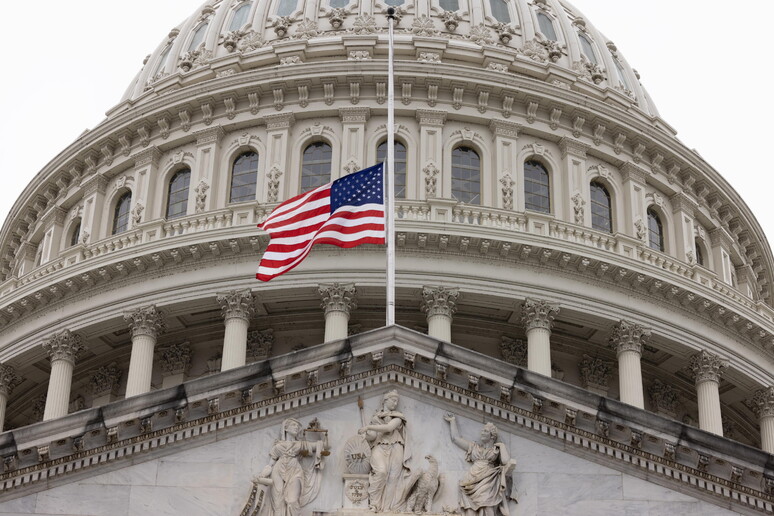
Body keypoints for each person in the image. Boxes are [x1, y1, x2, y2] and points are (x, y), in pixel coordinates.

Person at [443, 414, 516, 516]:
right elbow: (456, 439)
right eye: (482, 430)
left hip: (488, 480)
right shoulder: (474, 447)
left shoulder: (496, 450)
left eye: (485, 431)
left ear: (492, 436)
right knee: (469, 510)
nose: (482, 432)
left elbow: (505, 461)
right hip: (471, 481)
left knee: (488, 507)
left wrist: (502, 446)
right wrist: (452, 421)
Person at [359, 390, 413, 511]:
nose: (395, 403)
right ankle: (374, 504)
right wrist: (365, 435)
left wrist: (368, 427)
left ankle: (387, 508)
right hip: (379, 446)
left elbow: (388, 428)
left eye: (397, 401)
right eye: (393, 400)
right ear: (385, 400)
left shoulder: (398, 417)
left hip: (396, 446)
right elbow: (373, 436)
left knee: (393, 478)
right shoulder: (375, 418)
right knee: (381, 472)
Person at [258, 418, 325, 516]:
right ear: (286, 428)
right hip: (278, 471)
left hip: (295, 471)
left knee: (293, 501)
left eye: (297, 427)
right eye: (293, 425)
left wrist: (321, 432)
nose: (296, 428)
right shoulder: (278, 446)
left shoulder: (300, 444)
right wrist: (263, 474)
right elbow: (270, 464)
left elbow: (322, 445)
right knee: (278, 502)